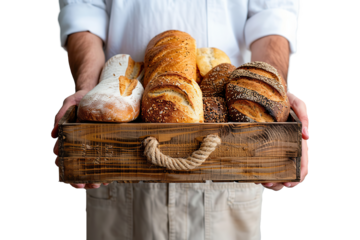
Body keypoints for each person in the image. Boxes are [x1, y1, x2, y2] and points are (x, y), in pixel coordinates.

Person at [52, 1, 309, 239]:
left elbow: (272, 18)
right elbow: (84, 9)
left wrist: (273, 95)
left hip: (232, 161)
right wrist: (89, 92)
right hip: (120, 159)